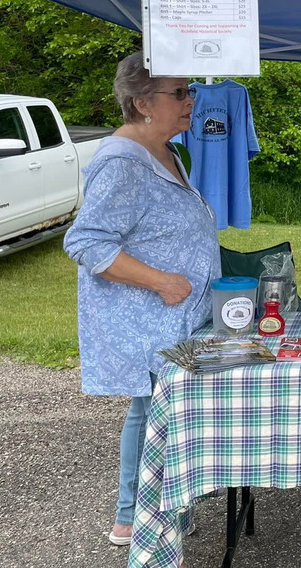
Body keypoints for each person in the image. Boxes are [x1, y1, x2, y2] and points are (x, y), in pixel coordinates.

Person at [63, 52, 219, 547]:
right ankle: (132, 518)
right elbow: (87, 243)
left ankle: (166, 507)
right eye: (180, 93)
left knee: (164, 412)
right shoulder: (122, 162)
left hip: (175, 318)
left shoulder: (165, 151)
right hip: (150, 316)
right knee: (152, 414)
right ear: (142, 104)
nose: (190, 101)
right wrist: (161, 281)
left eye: (190, 91)